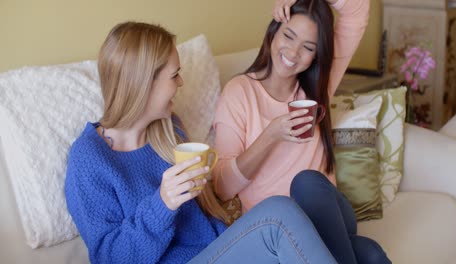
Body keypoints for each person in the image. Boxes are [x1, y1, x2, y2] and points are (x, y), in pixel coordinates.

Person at [64, 21, 338, 264]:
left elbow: (206, 214)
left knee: (359, 247)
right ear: (143, 83)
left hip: (217, 248)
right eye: (174, 75)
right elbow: (109, 258)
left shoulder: (169, 131)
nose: (181, 82)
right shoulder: (90, 159)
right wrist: (162, 203)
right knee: (279, 213)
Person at [212, 0, 392, 263]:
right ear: (273, 32)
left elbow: (357, 8)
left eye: (308, 47)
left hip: (328, 212)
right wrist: (271, 135)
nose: (294, 53)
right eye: (288, 35)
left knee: (306, 181)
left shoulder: (317, 87)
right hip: (279, 228)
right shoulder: (239, 92)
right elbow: (221, 187)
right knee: (371, 254)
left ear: (317, 56)